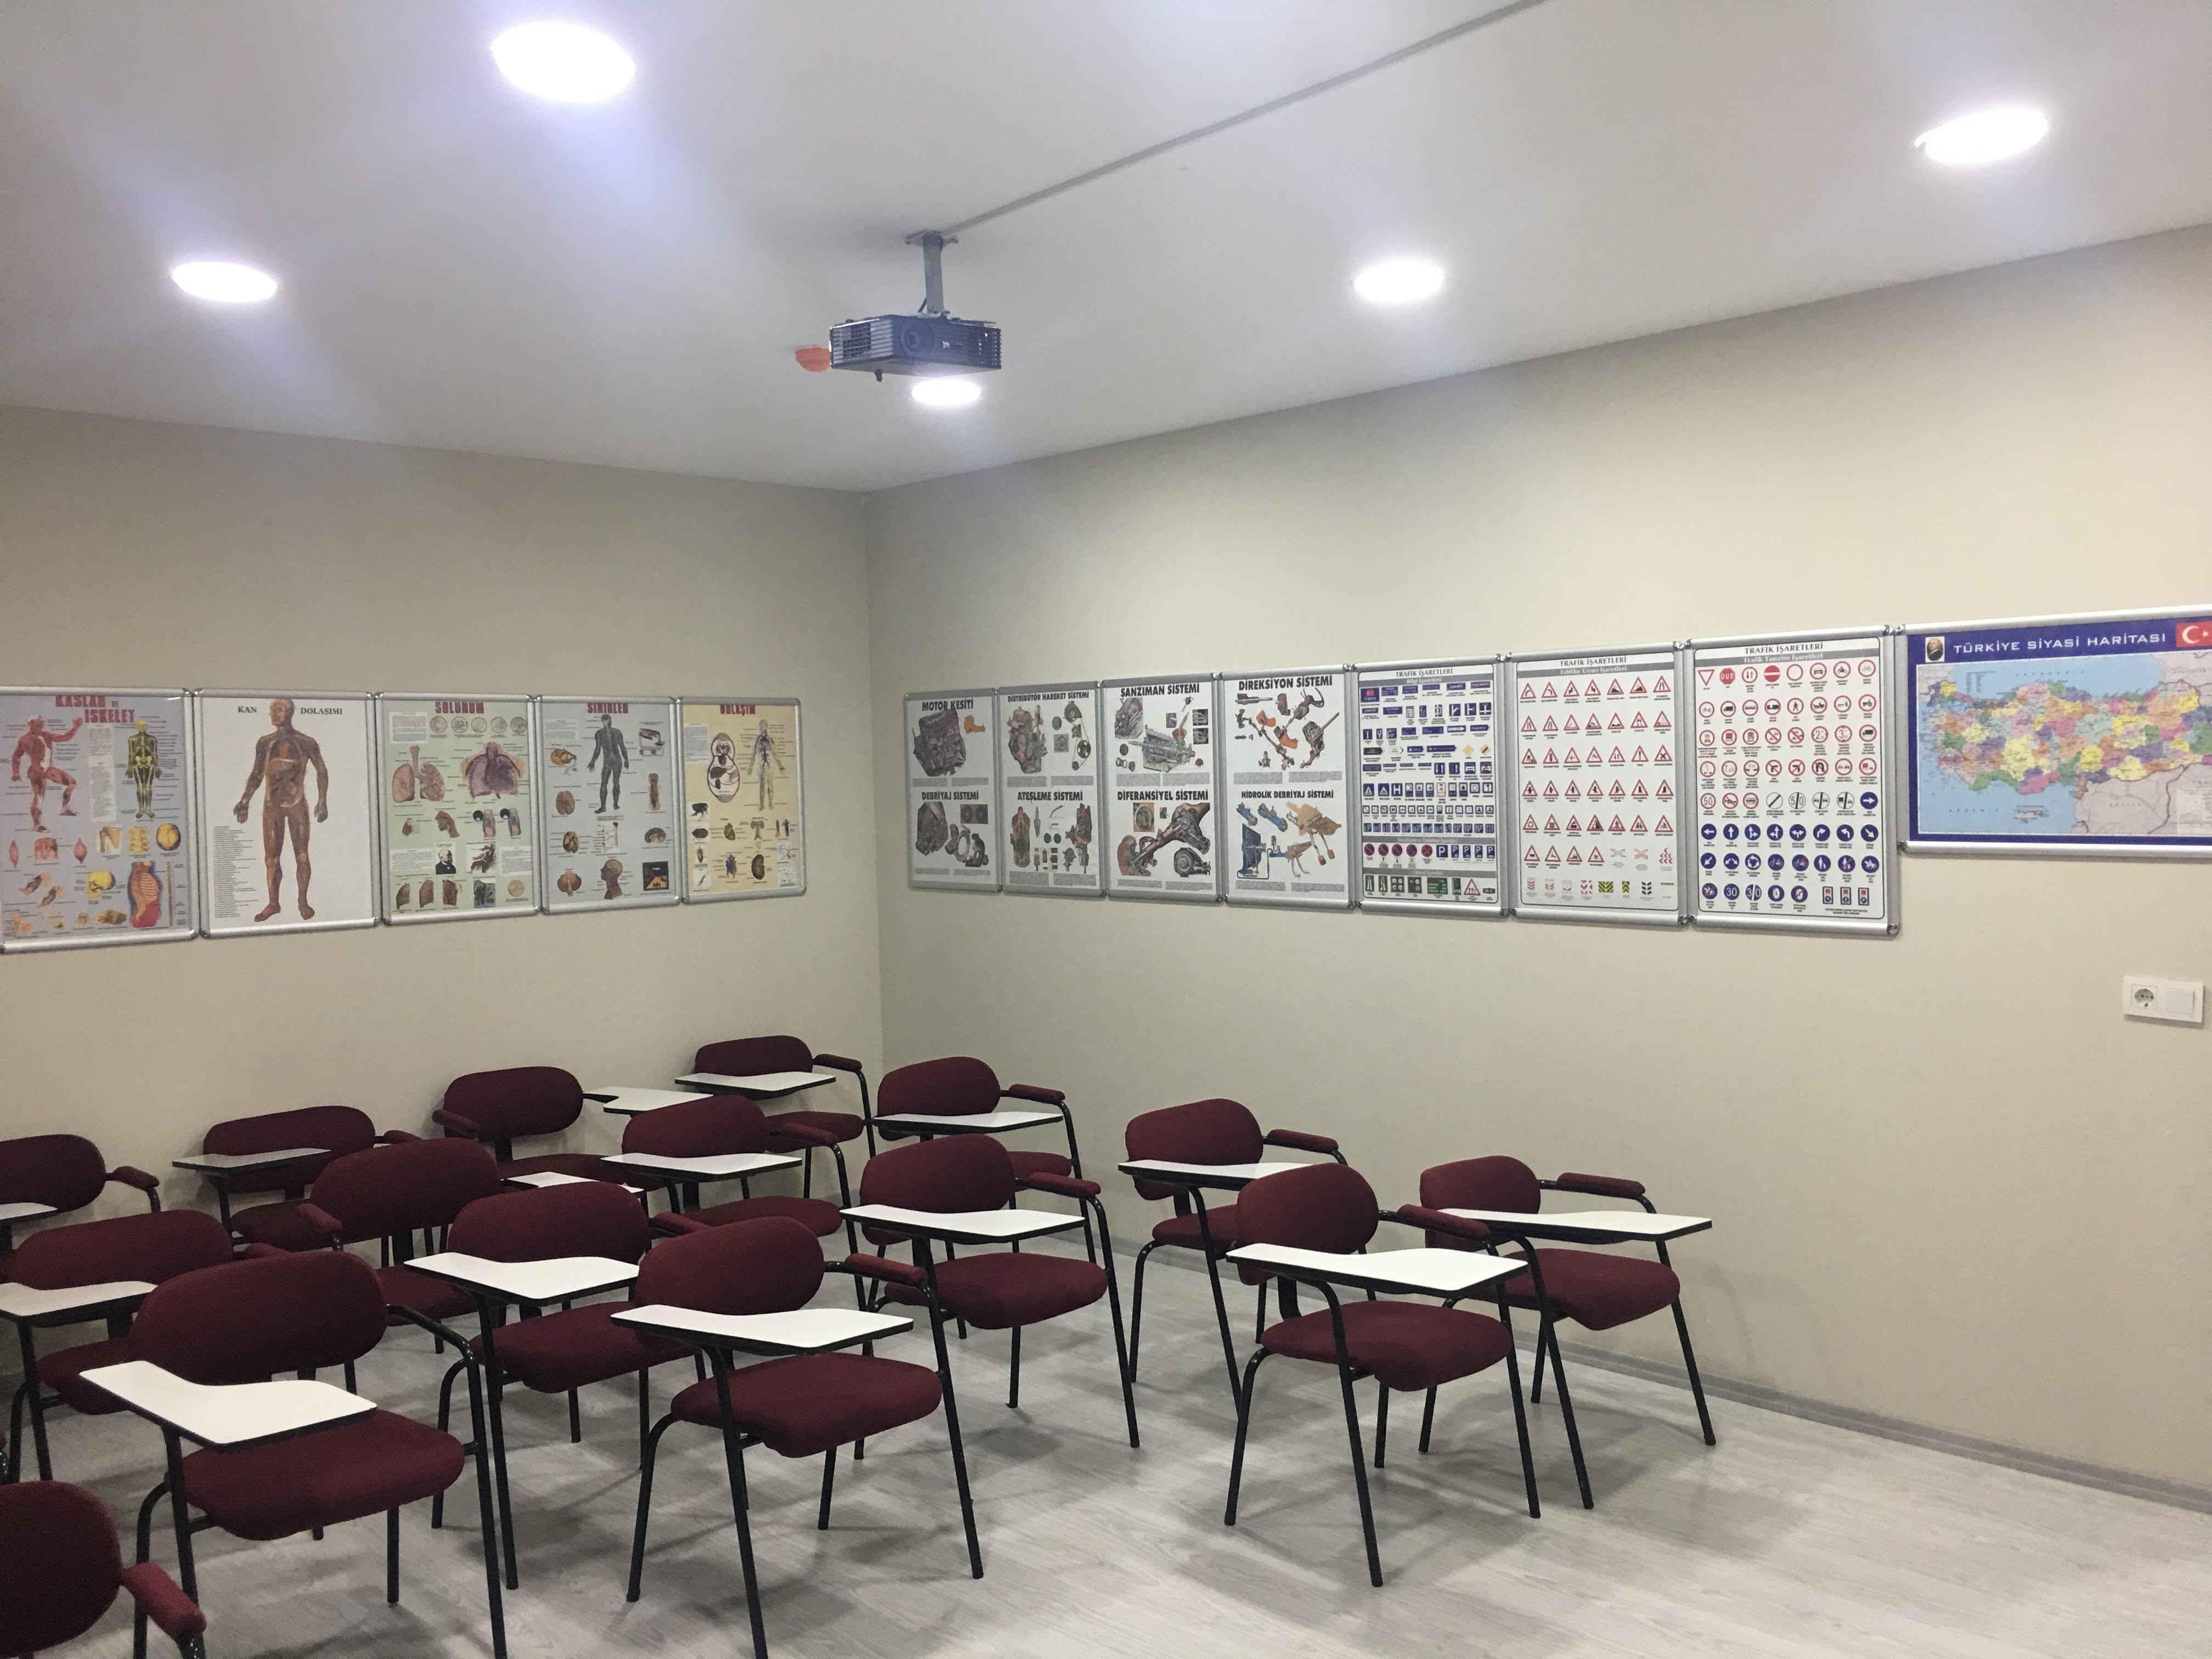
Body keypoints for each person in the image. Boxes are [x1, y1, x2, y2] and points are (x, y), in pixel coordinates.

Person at [232, 698, 329, 922]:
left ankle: (302, 901)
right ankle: (274, 903)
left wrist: (322, 800)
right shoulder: (265, 743)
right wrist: (245, 800)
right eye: (272, 711)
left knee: (302, 856)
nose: (272, 715)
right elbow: (257, 773)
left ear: (288, 713)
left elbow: (321, 769)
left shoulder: (306, 742)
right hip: (272, 805)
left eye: (276, 711)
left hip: (297, 804)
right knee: (271, 858)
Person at [9, 714, 82, 832]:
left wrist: (75, 728)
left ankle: (65, 809)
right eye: (38, 720)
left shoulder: (46, 735)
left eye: (41, 720)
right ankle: (37, 825)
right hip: (36, 771)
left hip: (47, 769)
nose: (42, 721)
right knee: (39, 798)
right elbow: (16, 756)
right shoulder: (25, 739)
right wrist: (16, 773)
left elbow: (64, 738)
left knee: (72, 783)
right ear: (32, 724)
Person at [588, 713, 627, 814]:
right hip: (617, 760)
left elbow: (598, 749)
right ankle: (615, 805)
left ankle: (605, 807)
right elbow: (622, 747)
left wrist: (593, 762)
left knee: (605, 783)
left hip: (609, 760)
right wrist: (626, 760)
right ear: (610, 721)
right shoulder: (617, 732)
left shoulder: (599, 733)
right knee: (615, 782)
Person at [125, 718, 161, 818]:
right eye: (140, 726)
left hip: (150, 763)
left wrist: (157, 767)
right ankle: (141, 809)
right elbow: (131, 754)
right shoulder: (132, 739)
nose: (142, 728)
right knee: (140, 786)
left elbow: (154, 754)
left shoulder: (153, 739)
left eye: (144, 725)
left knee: (148, 786)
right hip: (137, 764)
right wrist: (129, 768)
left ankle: (148, 808)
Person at [747, 717, 785, 810]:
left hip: (770, 764)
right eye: (760, 726)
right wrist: (751, 767)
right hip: (761, 765)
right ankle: (762, 805)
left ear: (767, 727)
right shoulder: (758, 739)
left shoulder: (771, 739)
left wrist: (780, 765)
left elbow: (775, 753)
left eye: (763, 726)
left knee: (770, 784)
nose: (761, 727)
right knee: (762, 785)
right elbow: (753, 754)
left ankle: (770, 803)